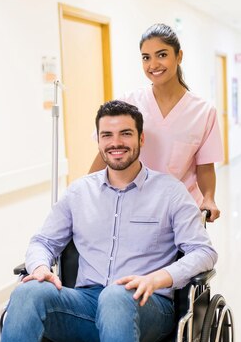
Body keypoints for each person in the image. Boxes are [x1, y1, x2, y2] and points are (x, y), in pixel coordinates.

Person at [0, 100, 218, 342]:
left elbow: (203, 252)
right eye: (107, 135)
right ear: (98, 141)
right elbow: (42, 242)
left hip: (147, 308)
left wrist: (158, 279)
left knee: (115, 295)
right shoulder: (79, 192)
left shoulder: (169, 192)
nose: (116, 143)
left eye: (125, 134)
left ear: (141, 139)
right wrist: (40, 267)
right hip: (85, 307)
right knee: (27, 293)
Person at [90, 23, 224, 222]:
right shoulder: (128, 103)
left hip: (181, 211)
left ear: (179, 56)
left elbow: (205, 167)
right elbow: (106, 152)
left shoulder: (203, 111)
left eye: (162, 55)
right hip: (132, 207)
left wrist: (209, 199)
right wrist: (83, 192)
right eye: (146, 58)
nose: (153, 65)